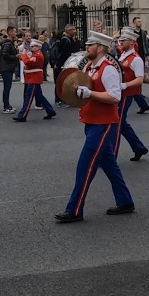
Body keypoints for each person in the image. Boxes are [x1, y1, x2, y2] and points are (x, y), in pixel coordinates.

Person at [56, 31, 135, 223]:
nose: (86, 48)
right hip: (92, 122)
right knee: (109, 164)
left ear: (100, 47)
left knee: (86, 165)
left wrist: (89, 93)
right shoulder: (91, 67)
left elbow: (115, 97)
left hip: (103, 123)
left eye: (89, 45)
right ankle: (125, 201)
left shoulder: (108, 69)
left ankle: (74, 209)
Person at [114, 28, 149, 161]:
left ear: (131, 42)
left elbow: (140, 79)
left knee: (117, 123)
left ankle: (111, 156)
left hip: (127, 94)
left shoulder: (136, 59)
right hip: (120, 93)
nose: (120, 42)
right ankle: (138, 147)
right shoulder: (123, 55)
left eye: (123, 40)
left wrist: (125, 85)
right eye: (120, 40)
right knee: (121, 123)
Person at [12, 38, 56, 121]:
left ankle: (22, 115)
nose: (31, 48)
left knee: (28, 98)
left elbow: (28, 62)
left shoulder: (38, 55)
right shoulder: (35, 54)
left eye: (33, 47)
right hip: (32, 78)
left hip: (34, 79)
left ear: (38, 47)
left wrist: (24, 55)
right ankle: (50, 111)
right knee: (40, 96)